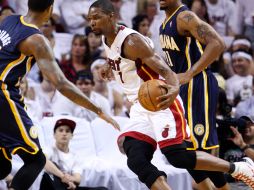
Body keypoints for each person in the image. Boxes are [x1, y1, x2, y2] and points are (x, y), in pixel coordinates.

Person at [87, 0, 254, 189]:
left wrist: (176, 86)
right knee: (135, 157)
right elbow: (121, 54)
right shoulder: (109, 37)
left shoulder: (134, 40)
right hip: (141, 106)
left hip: (162, 99)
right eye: (89, 19)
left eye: (96, 18)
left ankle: (238, 168)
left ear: (111, 16)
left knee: (181, 155)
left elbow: (165, 70)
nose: (92, 23)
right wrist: (108, 64)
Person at [0, 0, 119, 189]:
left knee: (3, 165)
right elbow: (62, 84)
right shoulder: (36, 40)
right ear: (50, 9)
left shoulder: (8, 20)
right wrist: (98, 110)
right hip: (4, 94)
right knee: (35, 160)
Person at [159, 0, 231, 189]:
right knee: (182, 149)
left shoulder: (184, 17)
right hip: (182, 87)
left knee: (198, 148)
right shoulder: (164, 24)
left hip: (198, 84)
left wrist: (190, 73)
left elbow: (218, 43)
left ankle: (237, 171)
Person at [41, 118, 108, 190]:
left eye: (67, 131)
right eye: (61, 130)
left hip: (69, 186)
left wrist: (69, 180)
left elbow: (78, 178)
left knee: (103, 189)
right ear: (54, 135)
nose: (64, 134)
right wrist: (62, 176)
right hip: (53, 185)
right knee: (47, 175)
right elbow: (43, 161)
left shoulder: (75, 155)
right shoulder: (49, 149)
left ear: (72, 136)